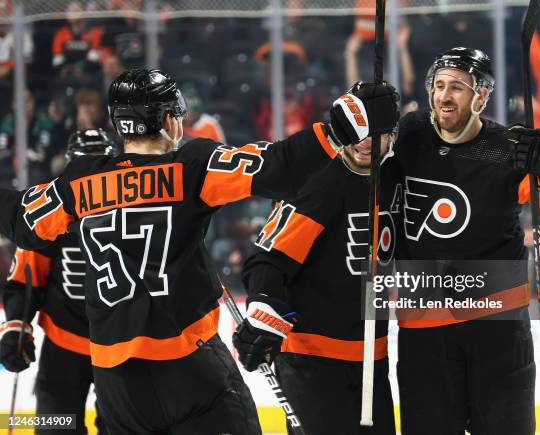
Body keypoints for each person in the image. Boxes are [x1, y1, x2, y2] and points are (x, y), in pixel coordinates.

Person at [0, 68, 398, 434]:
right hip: (189, 369)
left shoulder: (78, 183)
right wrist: (339, 130)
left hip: (115, 380)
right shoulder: (192, 164)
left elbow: (20, 221)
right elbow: (280, 166)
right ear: (172, 120)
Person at [392, 47, 540, 434]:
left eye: (458, 88)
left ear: (481, 96)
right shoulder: (407, 137)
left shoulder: (509, 149)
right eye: (438, 85)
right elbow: (348, 165)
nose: (444, 96)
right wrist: (364, 116)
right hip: (425, 329)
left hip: (497, 327)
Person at [234, 82, 401, 435]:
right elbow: (269, 258)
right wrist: (263, 304)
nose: (365, 141)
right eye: (358, 130)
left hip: (371, 358)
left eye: (377, 132)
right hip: (313, 361)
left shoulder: (396, 177)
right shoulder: (319, 184)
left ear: (393, 133)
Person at [0, 129, 115, 435]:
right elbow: (26, 278)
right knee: (57, 427)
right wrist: (16, 326)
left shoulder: (134, 208)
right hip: (64, 345)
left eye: (99, 163)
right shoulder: (53, 208)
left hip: (123, 348)